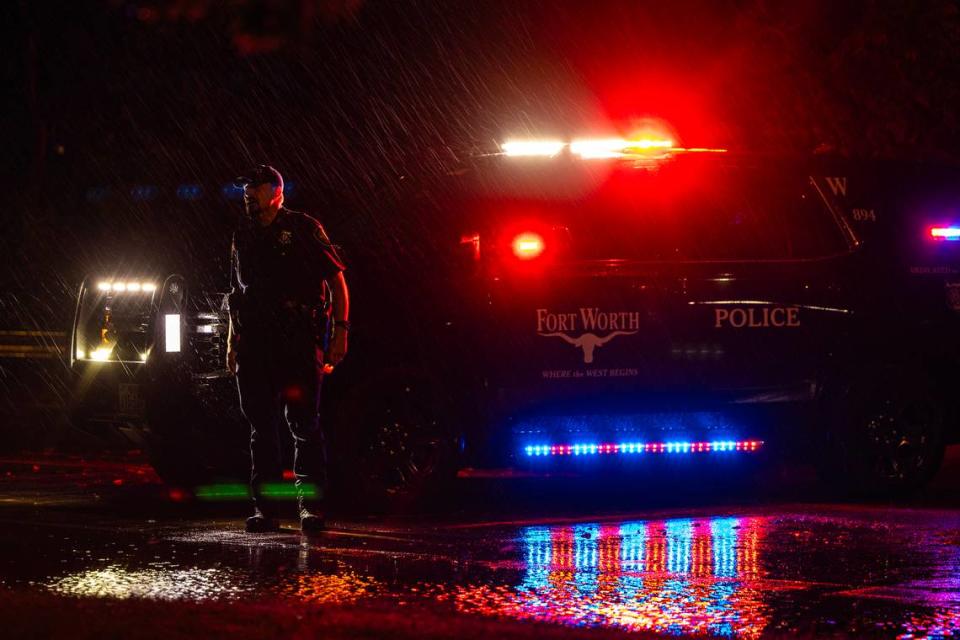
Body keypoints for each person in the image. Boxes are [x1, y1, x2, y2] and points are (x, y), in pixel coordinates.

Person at [226, 165, 349, 534]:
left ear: (276, 192)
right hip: (256, 341)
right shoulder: (242, 233)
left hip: (297, 339)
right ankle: (265, 509)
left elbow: (337, 281)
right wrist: (233, 341)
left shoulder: (303, 227)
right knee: (261, 429)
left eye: (255, 186)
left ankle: (310, 509)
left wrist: (340, 332)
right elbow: (237, 293)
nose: (248, 192)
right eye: (245, 187)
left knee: (304, 426)